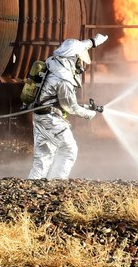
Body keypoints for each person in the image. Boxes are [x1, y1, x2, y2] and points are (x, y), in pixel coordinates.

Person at [27, 33, 108, 180]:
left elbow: (78, 46)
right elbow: (70, 106)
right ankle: (57, 184)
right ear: (72, 58)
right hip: (51, 119)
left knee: (44, 156)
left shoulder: (53, 63)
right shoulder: (63, 78)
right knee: (69, 150)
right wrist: (89, 114)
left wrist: (94, 41)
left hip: (41, 115)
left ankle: (33, 187)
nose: (80, 64)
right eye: (78, 59)